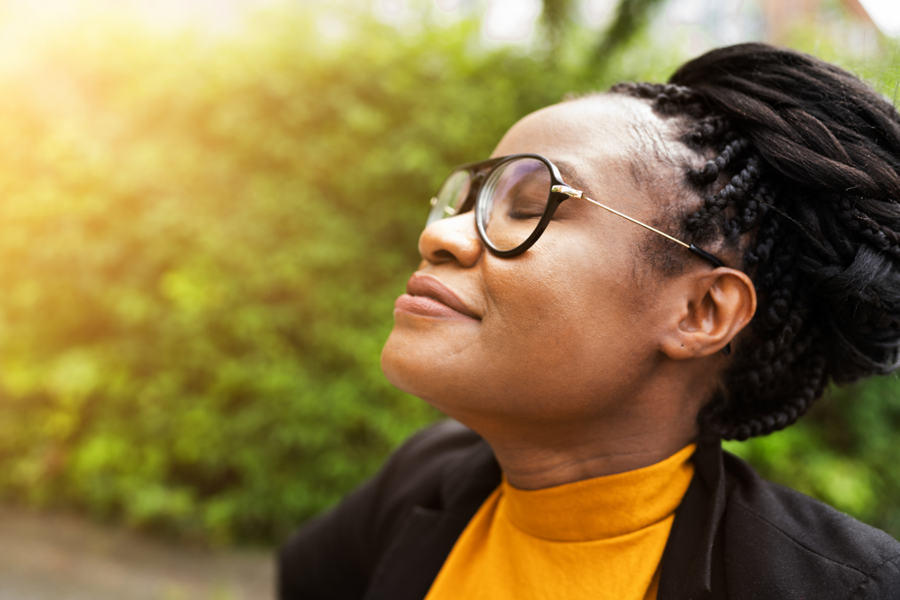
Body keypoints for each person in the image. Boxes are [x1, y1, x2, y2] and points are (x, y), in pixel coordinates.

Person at [278, 43, 900, 599]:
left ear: (701, 312)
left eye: (528, 205)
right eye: (467, 199)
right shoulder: (422, 477)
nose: (438, 234)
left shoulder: (836, 587)